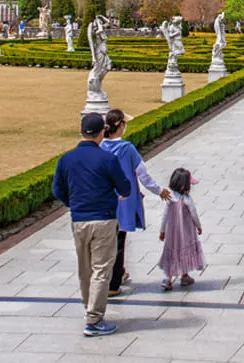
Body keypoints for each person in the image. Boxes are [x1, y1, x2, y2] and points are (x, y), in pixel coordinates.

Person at [52, 114, 133, 337]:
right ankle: (94, 319)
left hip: (79, 219)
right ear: (101, 132)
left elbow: (58, 190)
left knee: (85, 269)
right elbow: (125, 188)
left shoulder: (66, 159)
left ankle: (89, 308)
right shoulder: (107, 159)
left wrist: (74, 204)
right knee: (101, 269)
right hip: (103, 219)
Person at [100, 109, 172, 297]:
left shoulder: (100, 147)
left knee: (107, 240)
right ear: (120, 126)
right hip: (124, 199)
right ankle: (113, 284)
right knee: (119, 241)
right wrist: (159, 190)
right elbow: (143, 174)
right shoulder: (127, 148)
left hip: (104, 199)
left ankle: (119, 273)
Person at [158, 167, 205, 291]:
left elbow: (165, 216)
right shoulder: (187, 199)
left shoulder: (170, 198)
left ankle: (168, 278)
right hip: (186, 232)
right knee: (184, 251)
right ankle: (183, 276)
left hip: (172, 233)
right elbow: (194, 213)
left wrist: (162, 230)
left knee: (173, 252)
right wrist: (198, 226)